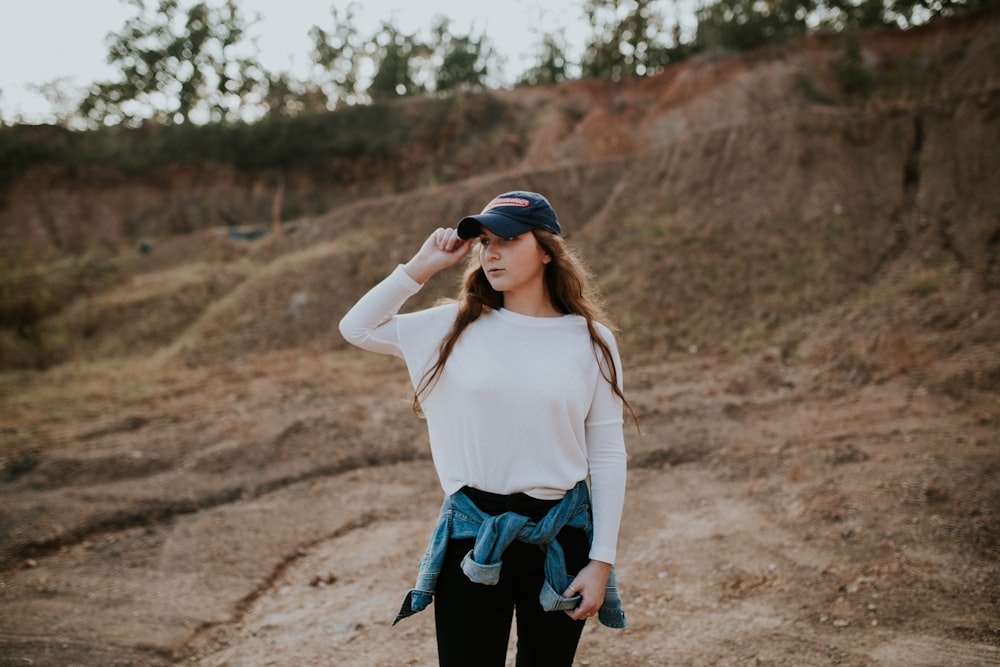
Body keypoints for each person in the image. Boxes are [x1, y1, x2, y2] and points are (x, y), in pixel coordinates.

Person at [338, 190, 633, 666]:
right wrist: (421, 265)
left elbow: (607, 453)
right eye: (484, 242)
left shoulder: (591, 339)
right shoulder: (452, 326)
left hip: (561, 534)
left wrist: (601, 562)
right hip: (472, 536)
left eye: (508, 240)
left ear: (544, 250)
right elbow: (357, 328)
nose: (491, 252)